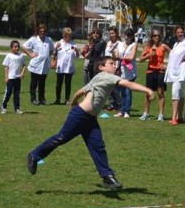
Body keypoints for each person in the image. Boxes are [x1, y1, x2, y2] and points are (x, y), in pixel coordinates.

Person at [26, 56, 155, 189]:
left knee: (98, 146)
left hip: (89, 119)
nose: (115, 66)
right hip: (80, 116)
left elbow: (82, 90)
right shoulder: (106, 76)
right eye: (111, 63)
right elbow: (128, 84)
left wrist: (75, 100)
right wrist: (148, 90)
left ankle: (107, 177)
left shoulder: (97, 78)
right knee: (61, 138)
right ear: (101, 67)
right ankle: (34, 155)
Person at [138, 32, 170, 121]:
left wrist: (166, 65)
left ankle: (161, 115)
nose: (157, 37)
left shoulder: (163, 46)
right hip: (150, 71)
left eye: (158, 35)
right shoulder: (148, 47)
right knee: (148, 93)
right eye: (155, 35)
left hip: (160, 71)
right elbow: (140, 59)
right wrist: (149, 55)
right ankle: (146, 113)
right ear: (151, 37)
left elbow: (173, 55)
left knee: (160, 93)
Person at [22, 23, 53, 105]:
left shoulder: (49, 39)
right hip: (36, 65)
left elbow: (52, 50)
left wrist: (47, 56)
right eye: (40, 31)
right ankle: (33, 99)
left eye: (44, 31)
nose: (42, 33)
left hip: (45, 65)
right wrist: (30, 54)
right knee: (34, 83)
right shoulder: (33, 39)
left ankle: (42, 99)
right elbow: (24, 46)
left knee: (42, 84)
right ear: (38, 32)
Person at [111, 28, 138, 118]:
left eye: (129, 35)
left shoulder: (134, 45)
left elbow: (131, 57)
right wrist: (115, 54)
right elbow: (116, 55)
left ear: (131, 37)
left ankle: (127, 111)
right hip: (121, 70)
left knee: (127, 92)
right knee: (122, 92)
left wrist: (121, 57)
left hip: (130, 71)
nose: (127, 37)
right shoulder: (120, 44)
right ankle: (122, 111)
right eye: (125, 35)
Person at [52, 28, 78, 104]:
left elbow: (77, 56)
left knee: (68, 84)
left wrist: (76, 50)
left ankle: (67, 99)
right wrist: (56, 48)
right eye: (66, 35)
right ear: (63, 35)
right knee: (58, 84)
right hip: (60, 67)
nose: (68, 37)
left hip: (69, 67)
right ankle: (57, 99)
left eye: (69, 36)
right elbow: (54, 54)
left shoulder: (73, 44)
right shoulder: (58, 43)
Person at [1, 40, 27, 114]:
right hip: (10, 78)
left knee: (17, 94)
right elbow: (6, 67)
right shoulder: (9, 56)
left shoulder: (21, 55)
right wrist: (6, 77)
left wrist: (22, 73)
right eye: (15, 47)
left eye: (18, 47)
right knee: (8, 93)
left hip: (17, 78)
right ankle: (4, 107)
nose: (16, 48)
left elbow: (24, 65)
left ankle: (17, 109)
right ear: (11, 47)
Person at [103, 26, 123, 110]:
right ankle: (111, 104)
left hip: (115, 66)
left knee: (115, 87)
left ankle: (118, 104)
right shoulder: (108, 43)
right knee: (109, 86)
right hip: (107, 67)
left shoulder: (120, 44)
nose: (111, 35)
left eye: (113, 33)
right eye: (110, 33)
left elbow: (120, 56)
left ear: (116, 34)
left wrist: (118, 67)